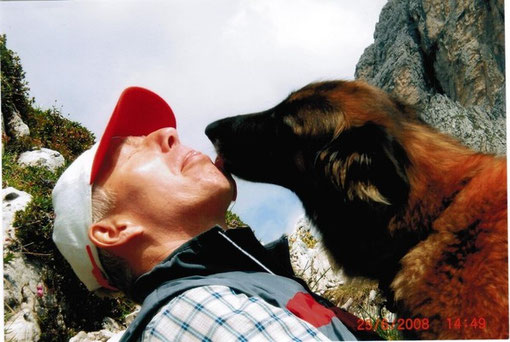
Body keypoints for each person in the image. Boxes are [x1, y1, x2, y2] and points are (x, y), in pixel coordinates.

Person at [52, 87, 370, 341]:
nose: (169, 133)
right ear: (116, 229)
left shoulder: (245, 288)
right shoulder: (187, 312)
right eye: (134, 150)